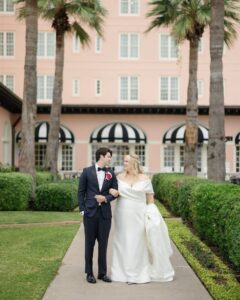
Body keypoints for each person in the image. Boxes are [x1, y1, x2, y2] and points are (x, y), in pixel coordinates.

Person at [110, 154, 174, 284]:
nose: (124, 163)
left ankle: (136, 274)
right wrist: (111, 191)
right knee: (122, 241)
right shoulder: (119, 178)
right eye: (124, 161)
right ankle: (121, 273)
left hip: (139, 214)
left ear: (134, 162)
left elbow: (150, 200)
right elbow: (112, 191)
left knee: (138, 242)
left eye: (126, 161)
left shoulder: (145, 178)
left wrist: (152, 217)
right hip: (122, 213)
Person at [78, 147, 118, 284]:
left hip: (105, 215)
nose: (109, 159)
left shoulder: (111, 173)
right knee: (89, 244)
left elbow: (115, 193)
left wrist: (105, 198)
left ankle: (102, 273)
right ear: (101, 156)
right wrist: (83, 210)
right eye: (108, 156)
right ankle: (89, 273)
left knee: (103, 245)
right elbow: (80, 192)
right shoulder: (86, 172)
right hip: (90, 214)